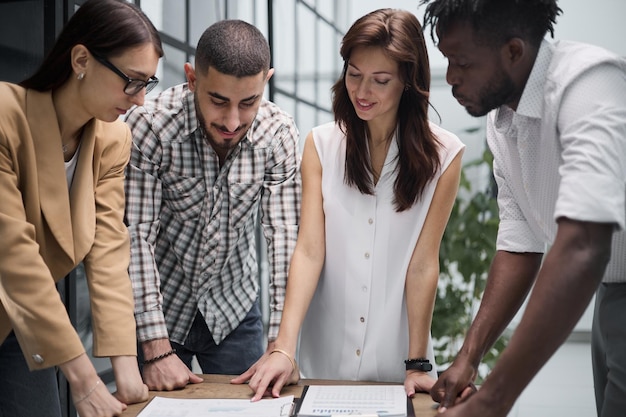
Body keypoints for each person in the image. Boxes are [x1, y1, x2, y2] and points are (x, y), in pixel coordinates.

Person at [232, 8, 464, 401]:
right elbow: (307, 250)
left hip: (399, 366)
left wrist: (417, 362)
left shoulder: (445, 155)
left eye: (380, 80)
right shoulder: (321, 145)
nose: (362, 91)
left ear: (408, 81)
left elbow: (424, 262)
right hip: (324, 362)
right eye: (354, 74)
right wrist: (284, 348)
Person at [420, 1, 626, 416]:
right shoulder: (503, 122)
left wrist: (494, 401)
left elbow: (585, 244)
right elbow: (520, 242)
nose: (451, 78)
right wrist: (468, 357)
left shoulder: (589, 84)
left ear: (514, 51)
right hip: (611, 292)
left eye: (461, 62)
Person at [0, 0, 163, 416]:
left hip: (25, 319)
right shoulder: (5, 115)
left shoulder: (112, 140)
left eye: (149, 83)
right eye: (132, 81)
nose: (141, 100)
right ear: (81, 59)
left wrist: (125, 365)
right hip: (20, 290)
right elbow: (12, 253)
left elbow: (108, 250)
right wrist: (85, 378)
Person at [124, 19, 301, 391]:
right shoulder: (150, 126)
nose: (233, 121)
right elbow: (135, 237)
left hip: (235, 307)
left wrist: (281, 347)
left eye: (248, 102)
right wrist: (155, 349)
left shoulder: (279, 134)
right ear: (192, 79)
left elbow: (284, 240)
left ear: (265, 81)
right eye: (218, 101)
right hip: (160, 308)